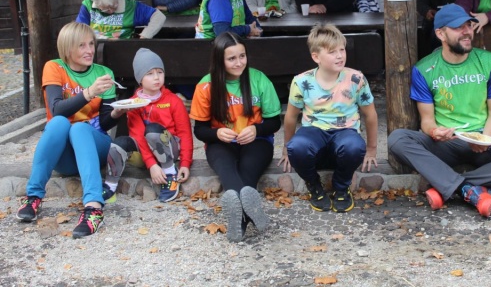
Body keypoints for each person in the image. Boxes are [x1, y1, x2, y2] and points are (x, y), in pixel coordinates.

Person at [387, 4, 491, 217]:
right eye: (458, 27)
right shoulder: (424, 69)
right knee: (397, 139)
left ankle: (452, 186)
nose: (467, 31)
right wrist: (435, 132)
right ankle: (467, 189)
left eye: (468, 25)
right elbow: (427, 120)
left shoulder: (488, 61)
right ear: (440, 34)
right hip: (447, 143)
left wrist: (484, 140)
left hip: (484, 139)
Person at [16, 22, 127, 238]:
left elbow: (105, 124)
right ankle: (33, 197)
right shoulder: (54, 67)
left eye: (91, 44)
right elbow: (57, 109)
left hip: (95, 146)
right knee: (58, 122)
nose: (89, 50)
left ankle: (94, 208)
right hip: (65, 156)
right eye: (82, 45)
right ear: (67, 49)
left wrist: (116, 113)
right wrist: (89, 92)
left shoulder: (103, 73)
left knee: (79, 129)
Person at [190, 32, 281, 242]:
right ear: (219, 60)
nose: (239, 62)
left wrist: (257, 130)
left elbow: (274, 122)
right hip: (220, 143)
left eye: (242, 56)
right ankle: (249, 214)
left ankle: (239, 221)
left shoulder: (259, 79)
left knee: (248, 169)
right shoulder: (205, 86)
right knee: (227, 169)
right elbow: (200, 130)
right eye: (231, 58)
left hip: (257, 141)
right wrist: (217, 133)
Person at [278, 24, 378, 213]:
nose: (340, 56)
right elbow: (291, 117)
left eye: (342, 50)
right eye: (332, 52)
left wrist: (372, 149)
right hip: (314, 131)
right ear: (316, 57)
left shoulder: (356, 78)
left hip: (345, 132)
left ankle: (341, 186)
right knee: (296, 147)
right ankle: (314, 185)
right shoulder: (301, 81)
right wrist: (285, 149)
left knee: (354, 146)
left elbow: (370, 114)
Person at [104, 48, 193, 203]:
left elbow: (185, 133)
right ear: (140, 79)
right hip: (145, 152)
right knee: (118, 143)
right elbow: (138, 135)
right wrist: (151, 164)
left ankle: (170, 174)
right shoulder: (133, 103)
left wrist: (185, 163)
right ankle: (110, 185)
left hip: (170, 149)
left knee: (152, 129)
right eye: (150, 73)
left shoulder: (173, 101)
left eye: (160, 72)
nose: (156, 77)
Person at [76, 0, 166, 39]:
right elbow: (79, 31)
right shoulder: (88, 5)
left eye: (114, 5)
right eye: (107, 8)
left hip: (122, 51)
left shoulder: (130, 6)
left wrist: (144, 36)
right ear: (96, 3)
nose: (111, 11)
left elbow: (159, 17)